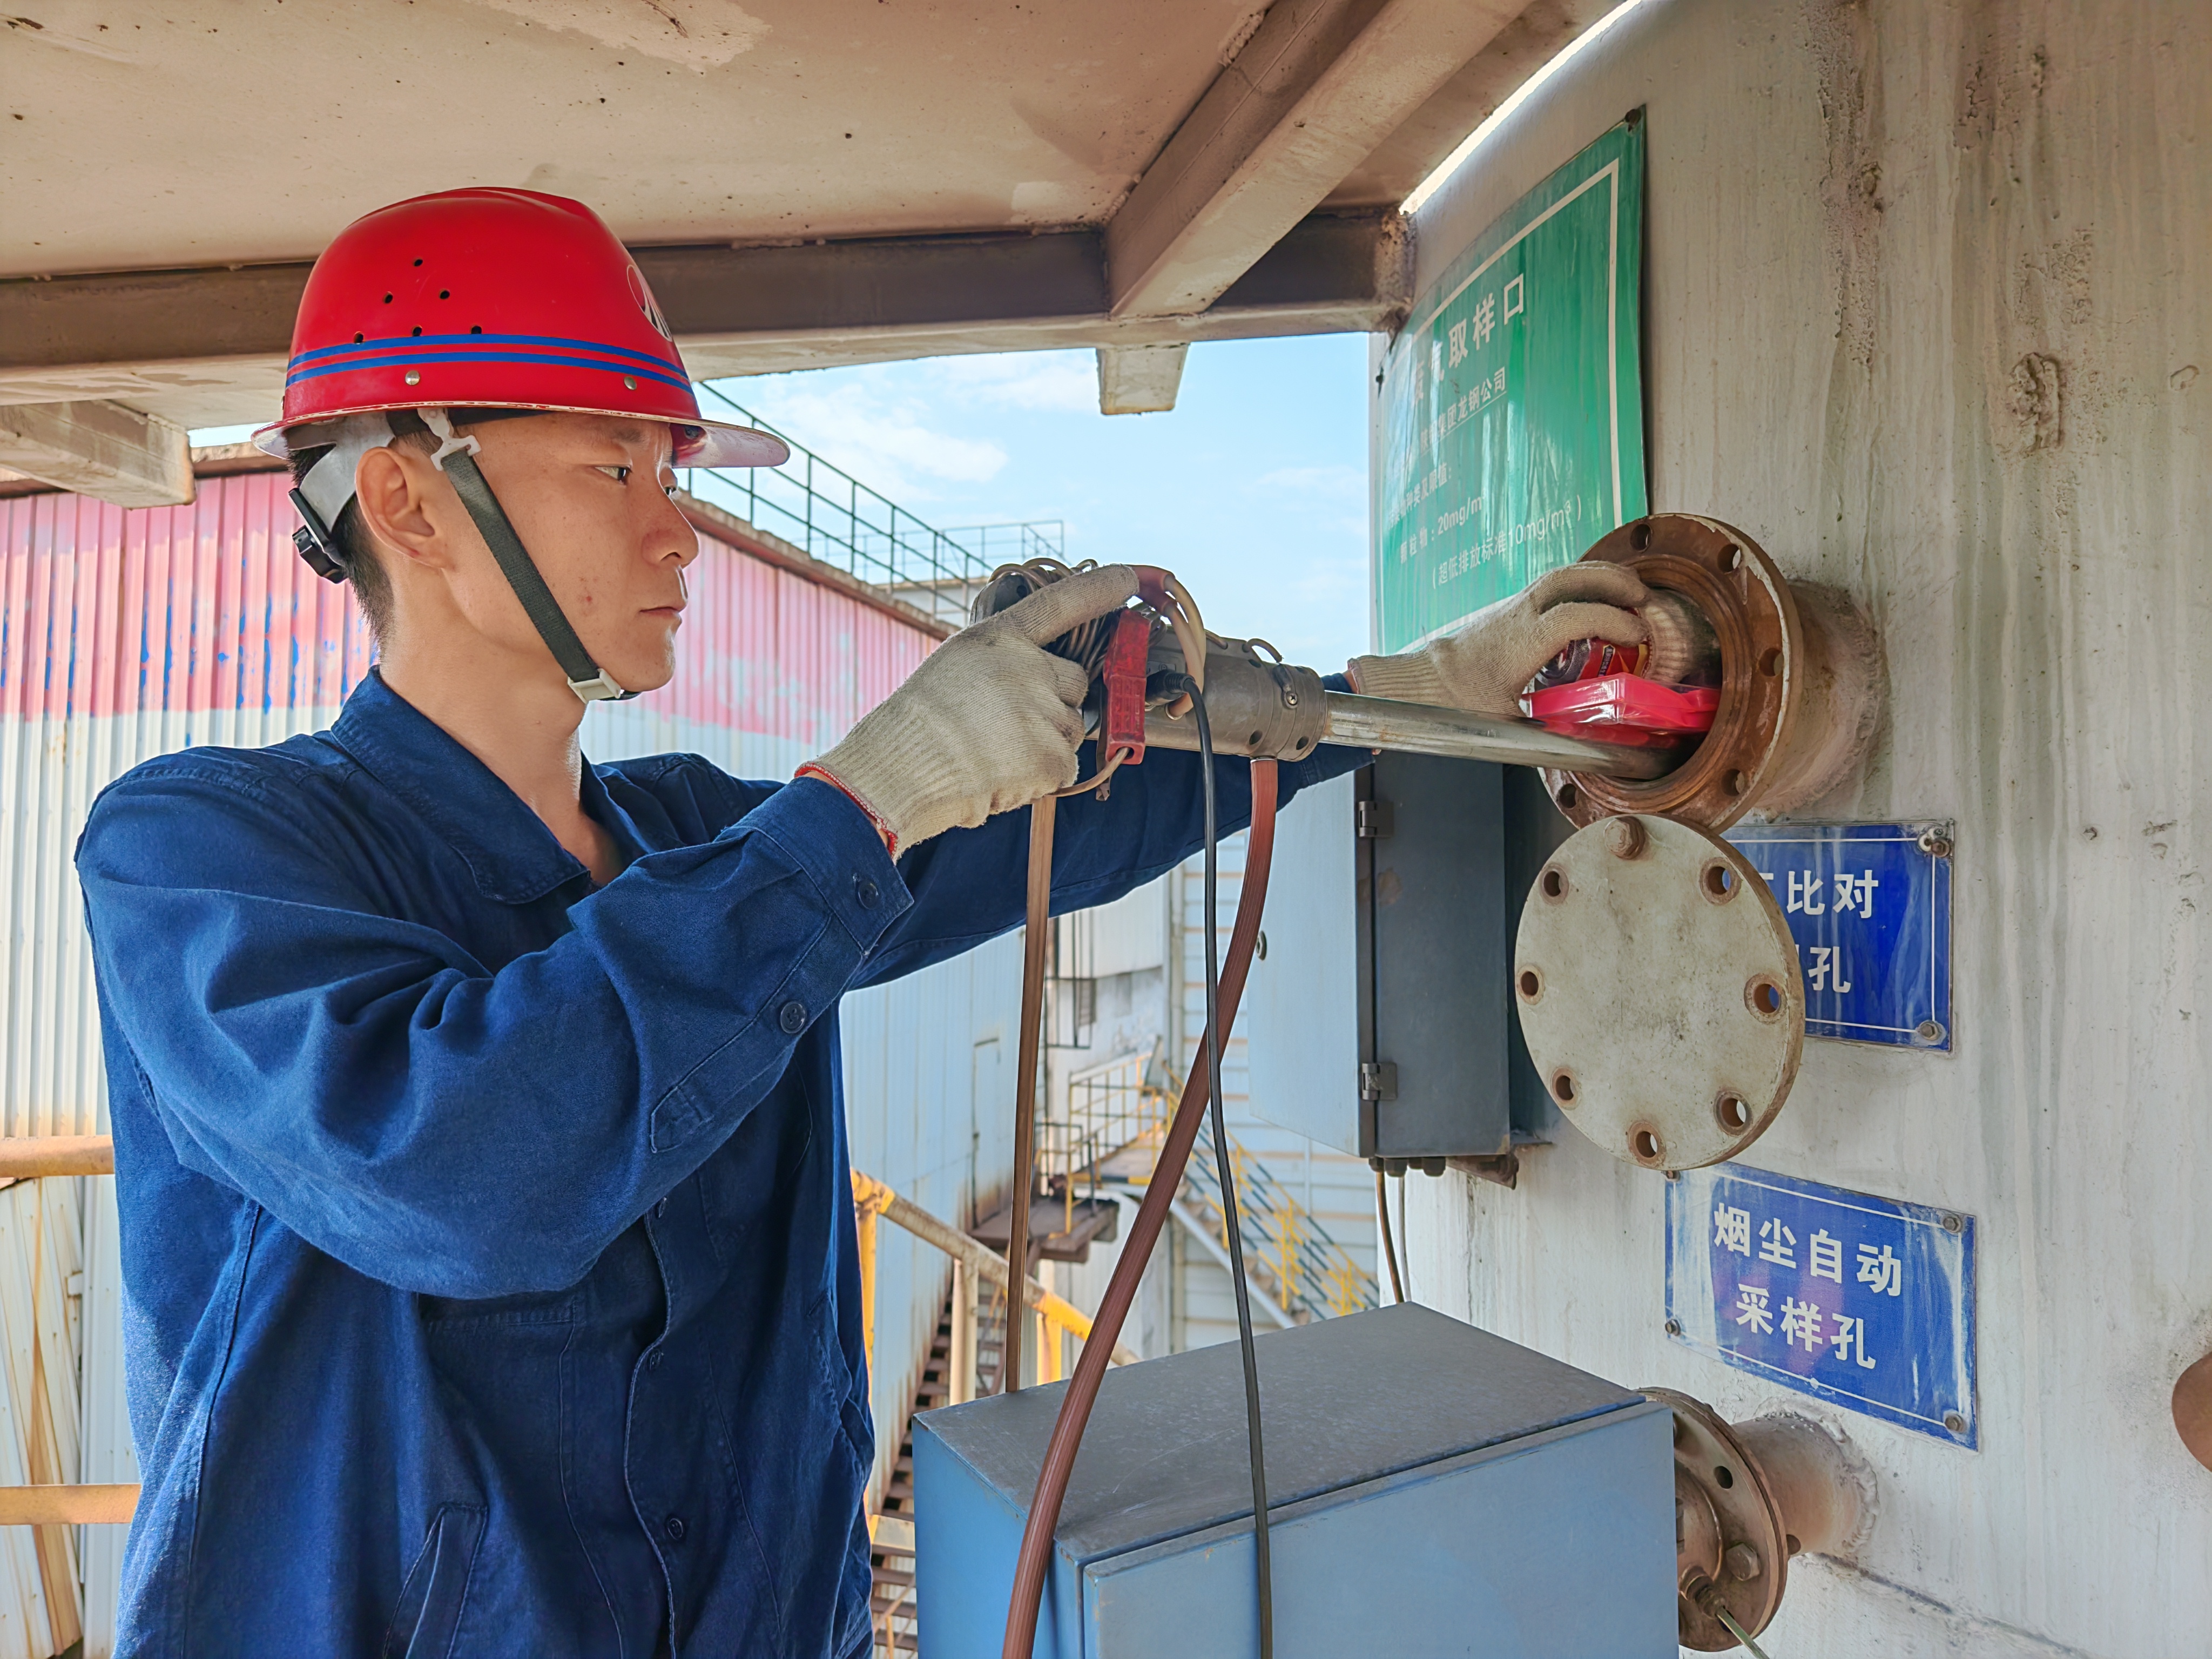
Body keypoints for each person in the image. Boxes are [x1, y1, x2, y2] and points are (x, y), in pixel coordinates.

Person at [72, 188, 1648, 1657]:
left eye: (672, 475)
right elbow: (460, 1167)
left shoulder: (687, 835)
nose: (674, 529)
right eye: (614, 468)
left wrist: (1400, 699)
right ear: (411, 502)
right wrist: (873, 797)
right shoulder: (206, 854)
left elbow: (1044, 831)